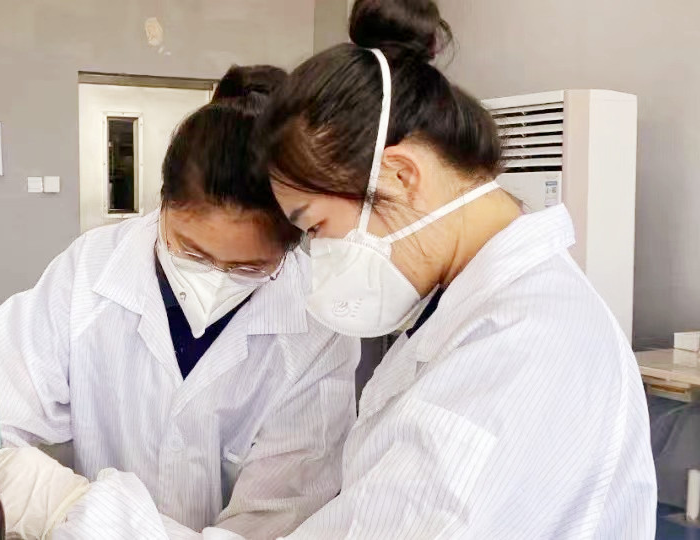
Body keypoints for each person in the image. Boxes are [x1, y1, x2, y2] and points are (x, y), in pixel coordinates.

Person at [43, 0, 658, 538]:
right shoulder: (461, 320)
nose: (318, 258)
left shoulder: (523, 348)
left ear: (400, 175)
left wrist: (72, 510)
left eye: (313, 227)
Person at [0, 65, 359, 539]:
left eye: (248, 268)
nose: (215, 281)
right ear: (163, 203)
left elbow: (274, 525)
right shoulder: (90, 272)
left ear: (294, 245)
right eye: (192, 252)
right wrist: (54, 499)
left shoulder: (318, 326)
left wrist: (89, 516)